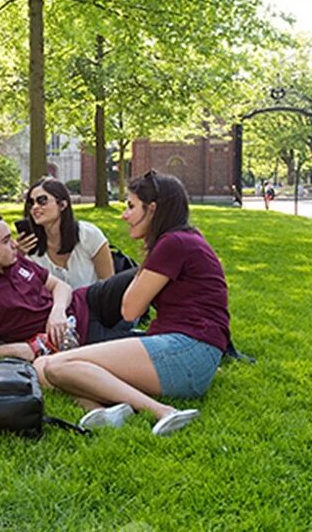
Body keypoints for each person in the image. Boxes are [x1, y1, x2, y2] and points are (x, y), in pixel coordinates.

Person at [32, 171, 230, 436]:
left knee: (57, 366)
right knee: (41, 368)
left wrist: (146, 262)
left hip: (190, 352)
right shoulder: (180, 239)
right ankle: (105, 410)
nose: (124, 215)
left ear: (153, 210)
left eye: (131, 206)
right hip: (185, 350)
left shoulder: (173, 243)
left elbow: (129, 310)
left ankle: (163, 411)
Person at [0, 211, 139, 361]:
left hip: (86, 301)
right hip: (78, 335)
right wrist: (15, 349)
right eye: (6, 241)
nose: (15, 244)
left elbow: (60, 286)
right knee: (145, 345)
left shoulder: (14, 261)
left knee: (141, 275)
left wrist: (57, 312)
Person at [16, 178, 114, 289]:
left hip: (94, 304)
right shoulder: (31, 249)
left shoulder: (89, 235)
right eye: (31, 203)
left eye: (42, 201)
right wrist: (17, 258)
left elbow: (109, 285)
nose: (35, 207)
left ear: (62, 205)